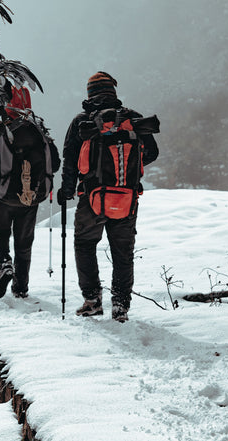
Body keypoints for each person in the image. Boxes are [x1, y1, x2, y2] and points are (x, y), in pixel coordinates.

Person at [56, 72, 158, 322]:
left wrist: (67, 189)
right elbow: (152, 152)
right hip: (127, 196)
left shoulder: (83, 121)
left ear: (90, 94)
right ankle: (120, 305)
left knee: (85, 244)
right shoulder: (132, 118)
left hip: (92, 197)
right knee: (122, 251)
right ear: (113, 91)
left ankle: (92, 300)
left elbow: (69, 159)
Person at [0, 86, 60, 299]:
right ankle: (21, 289)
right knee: (24, 243)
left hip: (3, 197)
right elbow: (55, 163)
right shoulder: (39, 129)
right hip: (31, 199)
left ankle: (5, 266)